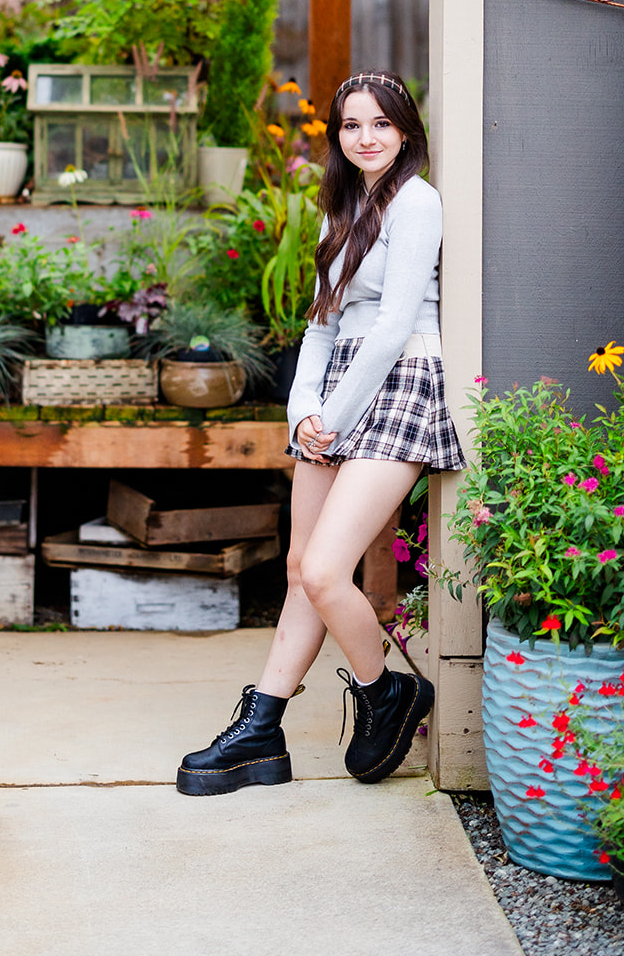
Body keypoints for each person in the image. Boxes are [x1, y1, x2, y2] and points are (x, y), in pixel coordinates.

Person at [176, 71, 465, 797]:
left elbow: (394, 326)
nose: (365, 137)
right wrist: (301, 409)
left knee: (325, 571)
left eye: (380, 124)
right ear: (336, 135)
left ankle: (385, 692)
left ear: (405, 131)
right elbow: (321, 322)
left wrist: (329, 418)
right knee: (299, 563)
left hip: (398, 383)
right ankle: (261, 727)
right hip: (334, 389)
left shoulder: (416, 202)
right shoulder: (339, 206)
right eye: (350, 126)